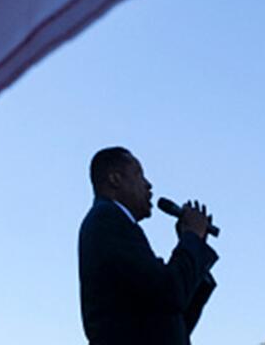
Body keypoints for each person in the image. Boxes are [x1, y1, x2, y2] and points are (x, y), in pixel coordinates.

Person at [78, 146, 217, 345]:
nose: (149, 185)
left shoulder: (113, 223)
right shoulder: (108, 219)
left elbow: (170, 317)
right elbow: (169, 292)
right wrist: (191, 239)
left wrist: (193, 245)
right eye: (139, 175)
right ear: (115, 179)